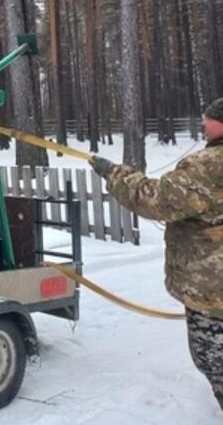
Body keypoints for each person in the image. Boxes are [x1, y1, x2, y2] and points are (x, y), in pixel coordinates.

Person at [90, 98, 223, 411]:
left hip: (213, 291)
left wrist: (114, 174)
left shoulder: (208, 166)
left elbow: (156, 200)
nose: (203, 124)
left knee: (214, 362)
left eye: (209, 119)